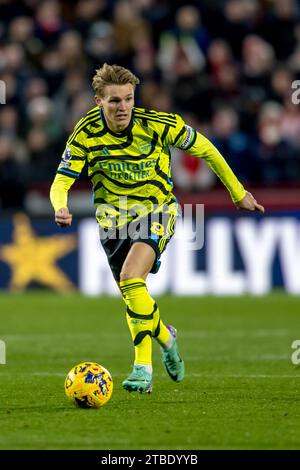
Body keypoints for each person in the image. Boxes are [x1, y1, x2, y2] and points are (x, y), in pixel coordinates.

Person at [50, 63, 264, 393]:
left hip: (158, 212)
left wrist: (238, 193)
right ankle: (167, 338)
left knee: (130, 279)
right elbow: (62, 179)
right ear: (98, 102)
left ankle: (142, 369)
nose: (122, 107)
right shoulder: (85, 132)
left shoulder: (157, 124)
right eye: (114, 101)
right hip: (112, 223)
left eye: (128, 99)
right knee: (134, 296)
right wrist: (59, 205)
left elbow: (205, 148)